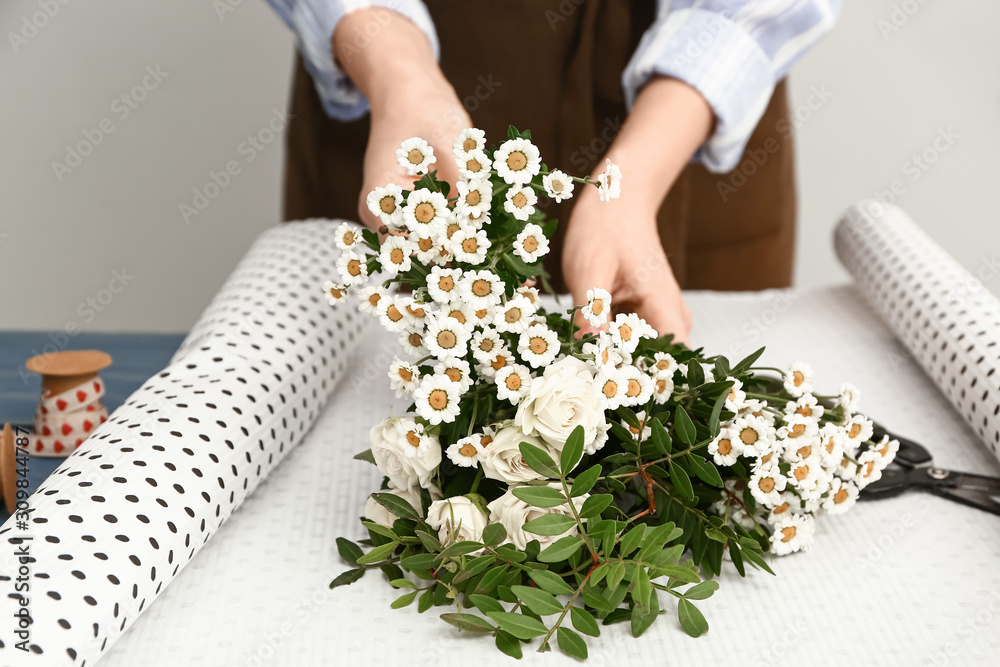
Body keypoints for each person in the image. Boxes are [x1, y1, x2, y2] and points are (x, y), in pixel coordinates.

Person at [267, 1, 840, 344]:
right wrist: (397, 72)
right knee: (387, 409)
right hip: (393, 68)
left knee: (688, 423)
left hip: (696, 101)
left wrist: (634, 180)